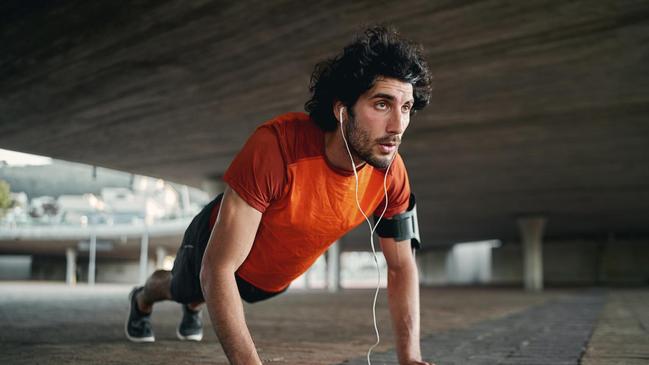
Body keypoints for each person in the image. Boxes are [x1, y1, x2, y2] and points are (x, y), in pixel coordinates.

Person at [125, 25, 433, 365]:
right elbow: (217, 268)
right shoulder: (276, 147)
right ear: (342, 109)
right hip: (212, 250)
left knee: (210, 296)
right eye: (381, 104)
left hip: (269, 280)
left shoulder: (391, 173)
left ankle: (197, 306)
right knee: (180, 288)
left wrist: (411, 359)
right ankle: (142, 299)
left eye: (406, 107)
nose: (398, 126)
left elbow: (401, 266)